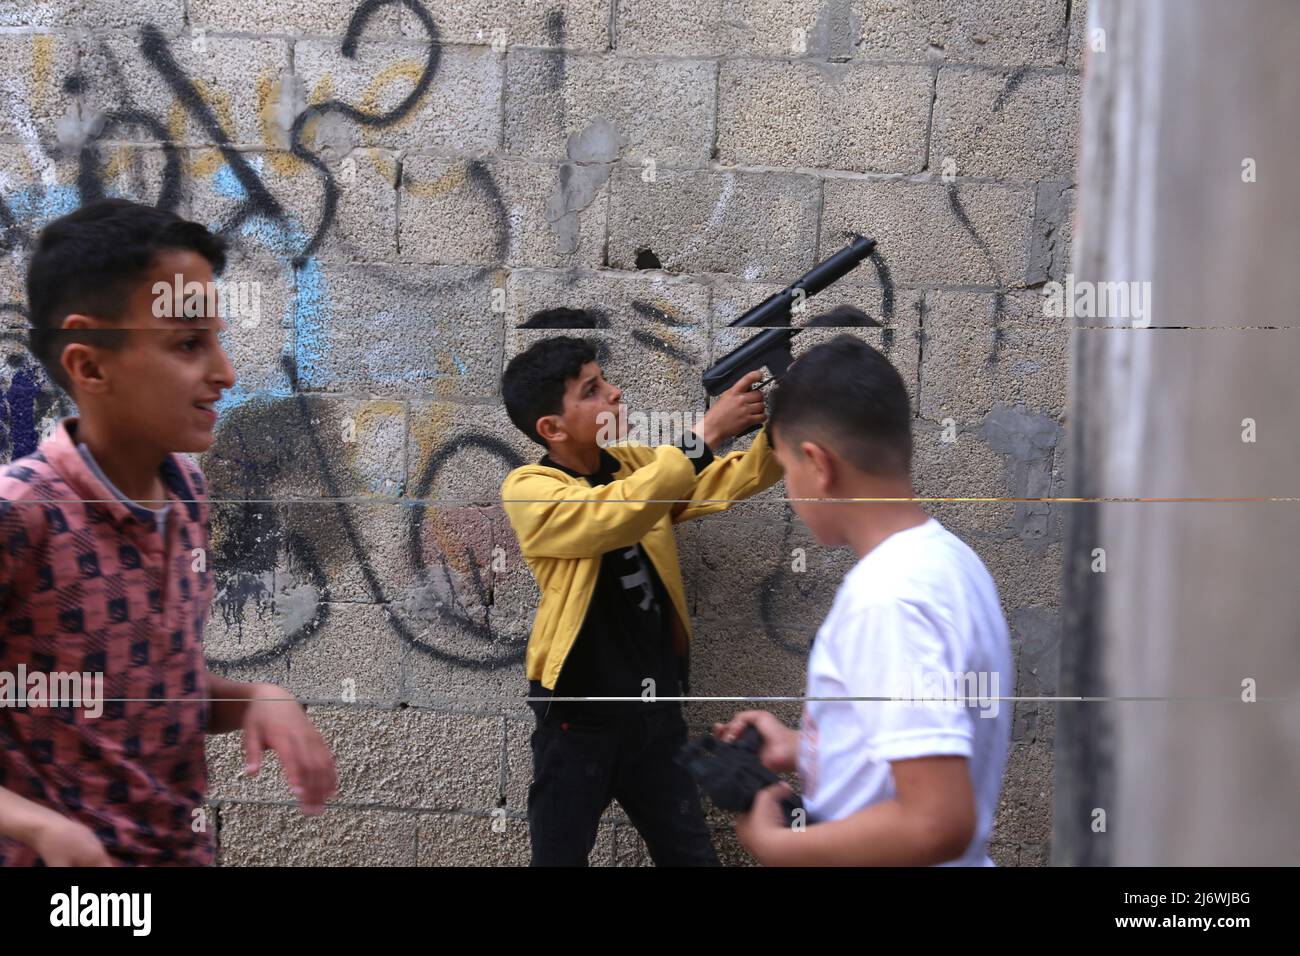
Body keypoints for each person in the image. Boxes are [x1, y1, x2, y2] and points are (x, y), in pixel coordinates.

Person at [0, 199, 337, 866]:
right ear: (90, 366)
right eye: (188, 344)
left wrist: (253, 699)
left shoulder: (185, 490)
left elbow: (150, 686)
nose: (225, 373)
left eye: (217, 338)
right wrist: (41, 828)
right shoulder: (22, 512)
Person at [715, 333, 1013, 866]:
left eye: (785, 470)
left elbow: (936, 821)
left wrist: (781, 846)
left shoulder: (888, 599)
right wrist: (806, 744)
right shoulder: (948, 560)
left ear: (818, 463)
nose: (790, 491)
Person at [500, 322, 782, 865]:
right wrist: (704, 437)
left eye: (605, 380)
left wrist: (780, 430)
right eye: (592, 390)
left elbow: (723, 480)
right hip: (579, 718)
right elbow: (613, 515)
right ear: (551, 428)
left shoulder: (632, 463)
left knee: (691, 856)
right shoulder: (530, 489)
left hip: (655, 712)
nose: (614, 393)